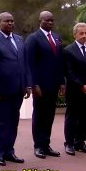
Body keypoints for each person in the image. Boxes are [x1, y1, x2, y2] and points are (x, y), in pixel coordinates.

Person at [0, 12, 31, 166]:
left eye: (12, 21)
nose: (10, 24)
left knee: (13, 122)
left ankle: (9, 151)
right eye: (7, 21)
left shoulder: (19, 39)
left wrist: (27, 84)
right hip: (1, 91)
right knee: (1, 122)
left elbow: (24, 64)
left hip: (18, 89)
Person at [26, 11, 65, 159]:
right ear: (40, 20)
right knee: (39, 115)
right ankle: (38, 146)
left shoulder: (56, 38)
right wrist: (33, 84)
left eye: (52, 20)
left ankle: (46, 144)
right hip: (40, 86)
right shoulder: (33, 39)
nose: (50, 23)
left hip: (54, 84)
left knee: (50, 115)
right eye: (47, 20)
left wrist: (62, 81)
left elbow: (59, 61)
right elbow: (30, 63)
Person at [63, 23, 86, 156]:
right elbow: (69, 72)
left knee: (84, 117)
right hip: (75, 90)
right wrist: (81, 85)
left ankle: (80, 142)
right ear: (75, 34)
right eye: (81, 33)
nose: (84, 36)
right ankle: (69, 143)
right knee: (72, 117)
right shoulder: (69, 50)